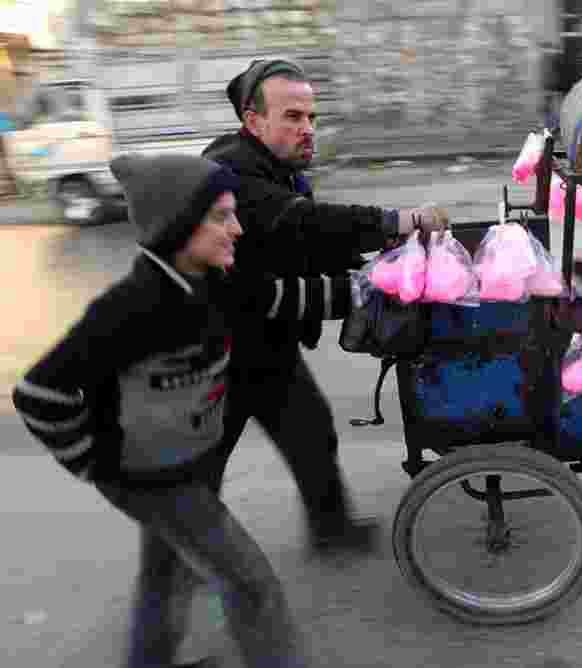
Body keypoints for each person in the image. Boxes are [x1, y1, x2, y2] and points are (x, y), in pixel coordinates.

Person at [11, 153, 347, 668]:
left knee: (166, 570)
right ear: (179, 225)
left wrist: (375, 291)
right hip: (152, 477)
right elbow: (39, 395)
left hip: (181, 460)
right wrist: (95, 464)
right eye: (221, 216)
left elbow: (280, 298)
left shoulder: (215, 281)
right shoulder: (132, 307)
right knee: (251, 585)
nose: (237, 228)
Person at [202, 58, 449, 552]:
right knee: (198, 468)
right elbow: (301, 223)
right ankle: (173, 571)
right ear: (253, 121)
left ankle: (332, 529)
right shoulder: (230, 170)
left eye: (310, 117)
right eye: (292, 117)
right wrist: (400, 221)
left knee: (310, 432)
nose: (306, 128)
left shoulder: (281, 171)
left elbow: (313, 243)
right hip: (214, 352)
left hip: (265, 341)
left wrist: (386, 266)